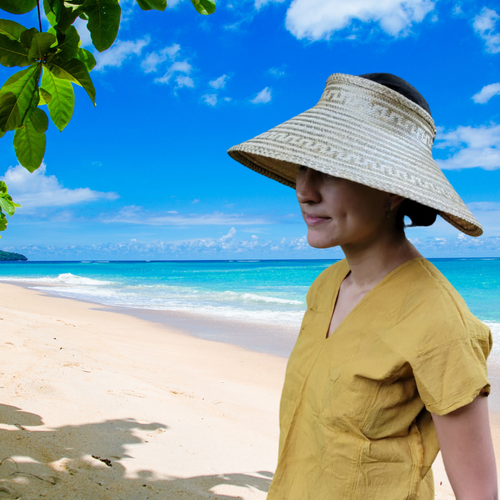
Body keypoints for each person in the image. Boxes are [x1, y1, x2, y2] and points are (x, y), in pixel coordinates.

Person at [227, 73, 498, 499]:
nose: (304, 190)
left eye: (331, 170)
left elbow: (479, 493)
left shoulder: (440, 323)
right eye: (303, 166)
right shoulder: (326, 286)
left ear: (392, 191)